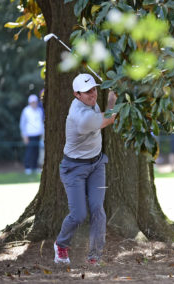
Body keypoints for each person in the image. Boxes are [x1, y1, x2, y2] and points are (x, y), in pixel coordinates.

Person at [54, 73, 117, 265]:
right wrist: (115, 96)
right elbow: (110, 117)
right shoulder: (81, 116)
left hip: (96, 164)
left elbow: (106, 112)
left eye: (94, 89)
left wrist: (114, 91)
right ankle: (61, 244)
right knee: (79, 214)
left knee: (98, 209)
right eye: (87, 92)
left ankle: (94, 256)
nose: (93, 95)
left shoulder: (91, 104)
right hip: (74, 168)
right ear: (76, 95)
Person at [19, 94, 44, 175]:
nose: (34, 103)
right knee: (29, 152)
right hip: (29, 135)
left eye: (35, 102)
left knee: (36, 152)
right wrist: (24, 135)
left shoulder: (39, 110)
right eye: (32, 102)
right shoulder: (26, 111)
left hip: (38, 135)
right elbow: (22, 124)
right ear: (29, 102)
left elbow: (42, 123)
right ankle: (28, 167)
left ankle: (34, 167)